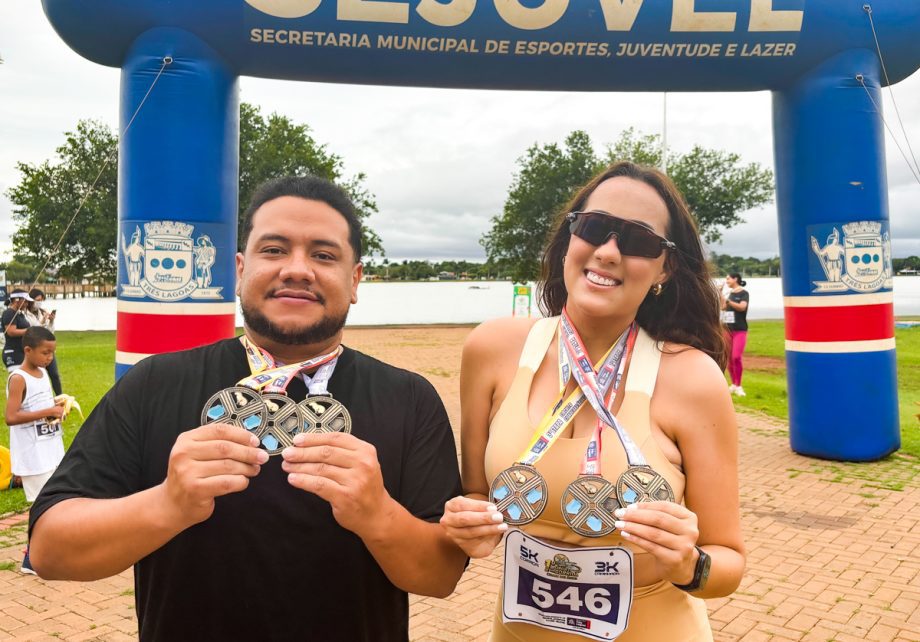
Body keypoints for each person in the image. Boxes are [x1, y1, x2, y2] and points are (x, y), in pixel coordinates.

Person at [28, 176, 468, 641]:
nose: (298, 269)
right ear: (239, 269)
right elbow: (51, 550)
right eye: (274, 250)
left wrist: (377, 513)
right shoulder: (155, 384)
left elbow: (440, 577)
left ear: (355, 279)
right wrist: (167, 504)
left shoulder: (410, 398)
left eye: (323, 255)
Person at [441, 162, 745, 641]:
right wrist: (468, 524)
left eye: (639, 239)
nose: (608, 252)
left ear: (664, 266)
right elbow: (478, 494)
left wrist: (690, 562)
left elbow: (727, 562)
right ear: (569, 238)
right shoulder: (493, 349)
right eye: (595, 227)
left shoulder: (693, 379)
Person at [5, 326, 66, 574]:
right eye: (45, 353)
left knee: (54, 500)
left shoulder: (41, 374)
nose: (49, 358)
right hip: (32, 454)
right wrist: (46, 412)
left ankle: (51, 548)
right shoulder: (18, 378)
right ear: (27, 350)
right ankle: (31, 557)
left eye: (52, 353)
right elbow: (11, 416)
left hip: (51, 447)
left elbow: (40, 406)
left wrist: (56, 407)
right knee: (40, 505)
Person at [25, 288, 62, 395]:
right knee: (40, 375)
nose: (40, 302)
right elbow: (32, 331)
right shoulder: (25, 314)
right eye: (38, 299)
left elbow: (49, 332)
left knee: (54, 374)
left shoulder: (42, 311)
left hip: (47, 347)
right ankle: (41, 397)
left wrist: (51, 321)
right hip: (36, 348)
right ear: (31, 300)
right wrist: (41, 322)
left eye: (41, 300)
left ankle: (60, 396)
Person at [720, 273, 750, 397]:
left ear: (735, 279)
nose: (726, 281)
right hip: (727, 329)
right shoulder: (730, 294)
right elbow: (723, 307)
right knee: (728, 358)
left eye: (728, 278)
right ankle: (733, 384)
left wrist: (728, 301)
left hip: (740, 330)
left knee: (736, 357)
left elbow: (742, 307)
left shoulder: (743, 293)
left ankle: (739, 385)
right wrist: (720, 293)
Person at [2, 289, 34, 372]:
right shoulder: (9, 313)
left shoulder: (19, 314)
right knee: (17, 379)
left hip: (22, 351)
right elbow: (11, 332)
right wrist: (30, 330)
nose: (27, 304)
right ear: (17, 300)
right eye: (25, 301)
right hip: (13, 353)